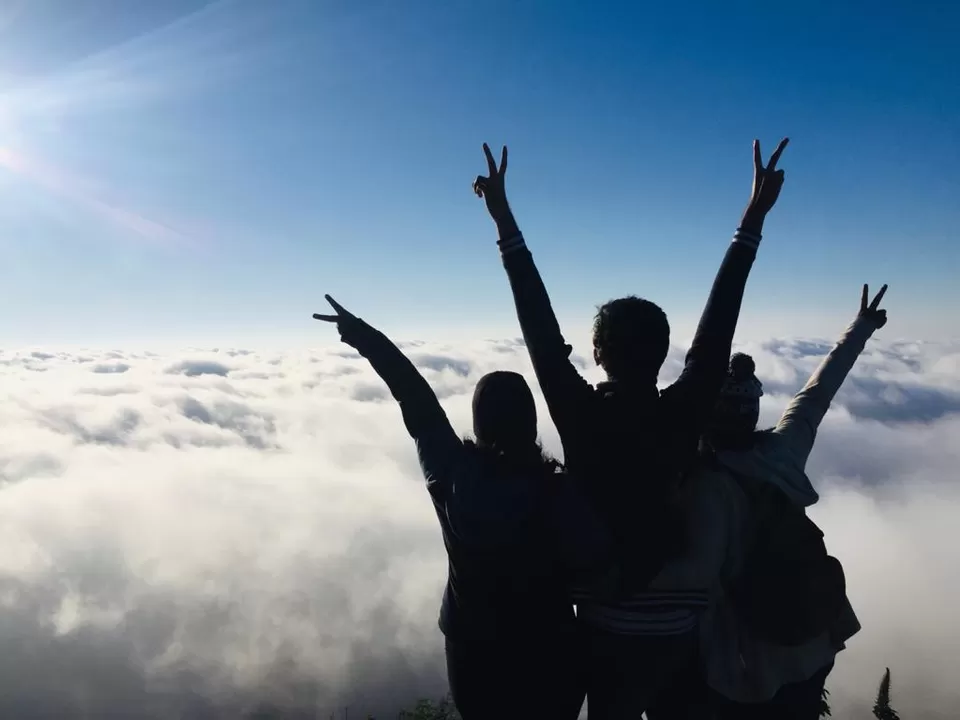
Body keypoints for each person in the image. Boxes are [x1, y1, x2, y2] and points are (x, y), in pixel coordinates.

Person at [472, 138, 789, 717]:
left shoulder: (579, 412)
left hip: (602, 624)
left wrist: (504, 220)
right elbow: (719, 327)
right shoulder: (684, 409)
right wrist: (752, 219)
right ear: (667, 352)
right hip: (680, 629)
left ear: (596, 353)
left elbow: (539, 330)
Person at [313, 294, 614, 720]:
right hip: (551, 648)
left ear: (478, 423)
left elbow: (415, 399)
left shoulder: (450, 474)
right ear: (530, 424)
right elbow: (597, 560)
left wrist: (364, 337)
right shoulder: (560, 492)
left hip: (472, 650)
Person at [683, 283, 889, 720]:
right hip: (811, 648)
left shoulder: (695, 480)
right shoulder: (783, 454)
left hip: (738, 667)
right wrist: (861, 328)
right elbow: (817, 393)